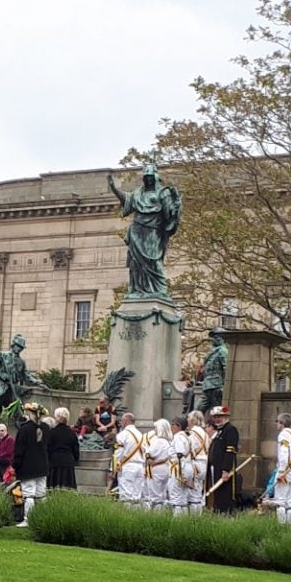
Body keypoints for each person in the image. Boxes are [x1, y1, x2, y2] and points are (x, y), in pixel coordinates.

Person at [107, 165, 182, 301]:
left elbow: (170, 213)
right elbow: (126, 199)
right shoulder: (138, 193)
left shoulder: (163, 193)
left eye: (150, 177)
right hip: (137, 231)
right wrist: (113, 188)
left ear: (155, 178)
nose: (148, 180)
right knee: (136, 264)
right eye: (146, 177)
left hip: (153, 231)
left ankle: (159, 290)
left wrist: (176, 206)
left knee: (154, 262)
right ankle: (138, 290)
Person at [0, 335, 46, 431]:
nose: (19, 349)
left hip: (12, 391)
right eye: (17, 346)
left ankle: (19, 434)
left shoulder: (21, 362)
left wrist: (38, 383)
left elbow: (27, 376)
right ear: (13, 345)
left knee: (18, 413)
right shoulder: (2, 355)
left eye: (21, 347)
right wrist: (1, 374)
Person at [13, 402, 49, 527]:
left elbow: (19, 450)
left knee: (28, 493)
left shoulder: (24, 429)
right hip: (42, 465)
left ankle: (28, 519)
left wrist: (16, 464)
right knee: (41, 493)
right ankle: (43, 517)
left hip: (27, 465)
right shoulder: (45, 427)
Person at [206, 405, 239, 514]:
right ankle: (218, 512)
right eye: (215, 417)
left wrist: (226, 470)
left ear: (226, 417)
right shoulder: (220, 431)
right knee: (218, 494)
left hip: (225, 470)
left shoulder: (230, 430)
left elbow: (230, 451)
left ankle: (226, 514)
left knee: (225, 494)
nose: (217, 419)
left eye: (220, 416)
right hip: (216, 468)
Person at [113, 412, 145, 506]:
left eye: (122, 421)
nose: (121, 423)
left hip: (127, 466)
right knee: (136, 497)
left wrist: (114, 467)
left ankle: (126, 518)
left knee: (126, 496)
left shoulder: (123, 434)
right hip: (140, 466)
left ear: (126, 421)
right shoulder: (141, 434)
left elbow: (118, 452)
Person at [47, 407, 79, 489]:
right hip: (68, 461)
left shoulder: (51, 433)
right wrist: (75, 460)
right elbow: (76, 450)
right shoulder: (72, 434)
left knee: (53, 487)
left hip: (54, 461)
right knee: (67, 487)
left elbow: (48, 448)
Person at [142, 418, 171, 510]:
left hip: (156, 469)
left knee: (155, 496)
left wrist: (145, 449)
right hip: (165, 468)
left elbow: (149, 454)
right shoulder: (168, 441)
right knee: (161, 494)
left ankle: (156, 516)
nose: (154, 430)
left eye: (156, 428)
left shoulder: (158, 441)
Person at [198, 328, 228, 412]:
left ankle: (220, 425)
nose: (213, 340)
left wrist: (224, 386)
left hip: (216, 387)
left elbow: (226, 369)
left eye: (215, 337)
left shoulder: (222, 351)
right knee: (197, 410)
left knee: (218, 412)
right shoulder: (214, 351)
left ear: (221, 338)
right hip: (208, 386)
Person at [186, 409, 209, 515]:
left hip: (195, 464)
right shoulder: (204, 433)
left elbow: (189, 449)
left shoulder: (192, 433)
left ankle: (194, 519)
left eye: (189, 419)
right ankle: (198, 516)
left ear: (194, 421)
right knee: (198, 492)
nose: (188, 421)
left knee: (193, 493)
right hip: (204, 463)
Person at [166, 416, 191, 516]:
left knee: (175, 498)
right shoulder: (186, 437)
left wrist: (182, 474)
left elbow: (180, 455)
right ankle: (184, 523)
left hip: (178, 469)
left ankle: (177, 523)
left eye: (173, 424)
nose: (171, 427)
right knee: (183, 498)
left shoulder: (178, 437)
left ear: (179, 426)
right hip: (185, 467)